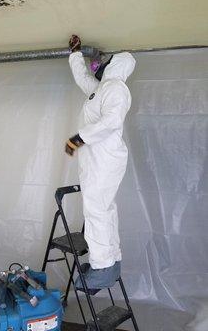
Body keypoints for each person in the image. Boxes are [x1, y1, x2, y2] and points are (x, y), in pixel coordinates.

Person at [65, 35, 136, 292]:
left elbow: (111, 122)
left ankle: (102, 266)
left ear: (116, 65)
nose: (101, 64)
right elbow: (83, 79)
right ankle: (111, 260)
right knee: (104, 208)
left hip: (105, 158)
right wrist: (75, 54)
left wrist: (78, 138)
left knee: (96, 210)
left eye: (106, 62)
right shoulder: (101, 88)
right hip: (97, 159)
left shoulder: (116, 88)